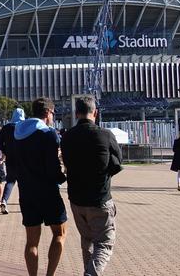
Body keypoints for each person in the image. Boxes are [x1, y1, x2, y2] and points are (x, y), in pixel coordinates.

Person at [61, 96, 123, 276]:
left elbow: (66, 162)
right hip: (100, 198)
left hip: (77, 200)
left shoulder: (67, 137)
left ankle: (88, 271)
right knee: (104, 243)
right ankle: (90, 274)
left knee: (87, 240)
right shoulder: (105, 135)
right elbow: (118, 161)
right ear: (95, 112)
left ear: (76, 113)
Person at [14, 97, 67, 276]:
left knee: (31, 242)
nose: (53, 117)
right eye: (53, 113)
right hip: (48, 191)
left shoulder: (17, 133)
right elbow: (53, 167)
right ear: (47, 113)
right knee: (60, 234)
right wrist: (62, 177)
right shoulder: (48, 134)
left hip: (26, 192)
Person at [0, 108, 25, 215]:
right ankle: (23, 204)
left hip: (10, 158)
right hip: (23, 158)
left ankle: (4, 200)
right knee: (23, 182)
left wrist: (6, 151)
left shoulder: (6, 127)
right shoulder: (25, 126)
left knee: (10, 181)